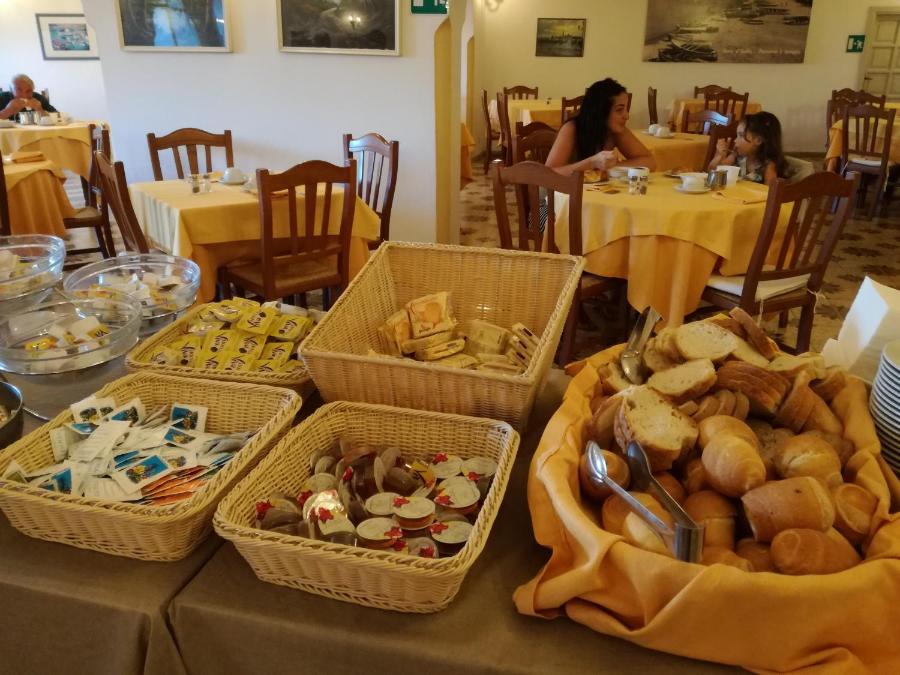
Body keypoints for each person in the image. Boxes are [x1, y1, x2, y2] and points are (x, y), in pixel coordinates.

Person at [545, 78, 655, 175]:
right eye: (619, 110)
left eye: (626, 109)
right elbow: (549, 173)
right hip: (565, 190)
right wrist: (592, 163)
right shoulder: (572, 128)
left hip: (597, 189)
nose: (626, 116)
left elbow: (649, 162)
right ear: (600, 111)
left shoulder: (615, 130)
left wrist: (610, 166)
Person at [707, 111, 786, 186]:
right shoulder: (737, 156)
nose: (735, 140)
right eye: (737, 135)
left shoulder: (768, 165)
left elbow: (771, 192)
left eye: (741, 135)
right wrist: (719, 155)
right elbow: (712, 172)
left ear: (758, 140)